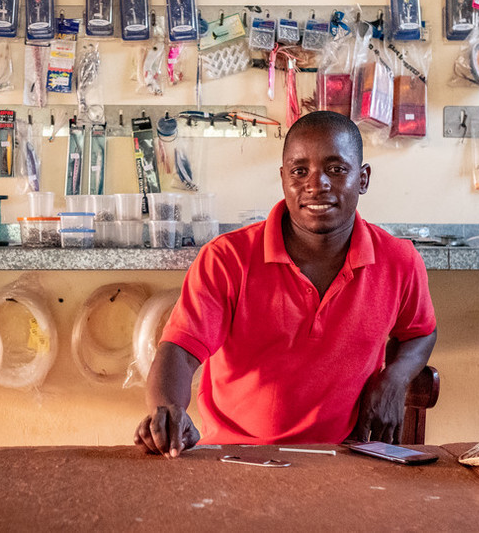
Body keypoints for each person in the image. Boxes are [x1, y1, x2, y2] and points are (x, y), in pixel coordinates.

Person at [134, 111, 437, 457]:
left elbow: (420, 332)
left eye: (336, 169)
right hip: (236, 457)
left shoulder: (399, 260)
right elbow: (179, 350)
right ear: (283, 179)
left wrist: (394, 378)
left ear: (363, 179)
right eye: (299, 171)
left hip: (344, 458)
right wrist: (169, 410)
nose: (316, 183)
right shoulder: (227, 259)